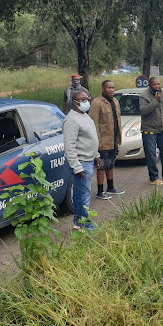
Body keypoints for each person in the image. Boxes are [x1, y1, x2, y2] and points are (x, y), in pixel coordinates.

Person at [62, 91, 101, 230]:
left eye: (87, 99)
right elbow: (69, 146)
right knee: (83, 195)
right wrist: (77, 167)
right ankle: (83, 223)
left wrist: (96, 155)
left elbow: (90, 138)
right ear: (75, 102)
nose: (86, 101)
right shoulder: (71, 120)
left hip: (89, 160)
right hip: (81, 162)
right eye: (83, 99)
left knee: (82, 193)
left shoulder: (85, 116)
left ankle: (79, 222)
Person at [89, 80, 125, 199]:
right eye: (109, 88)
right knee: (102, 165)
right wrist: (97, 141)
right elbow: (94, 124)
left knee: (110, 164)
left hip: (113, 139)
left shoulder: (115, 101)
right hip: (102, 141)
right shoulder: (97, 103)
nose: (111, 90)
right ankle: (100, 191)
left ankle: (111, 188)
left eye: (113, 87)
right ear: (103, 89)